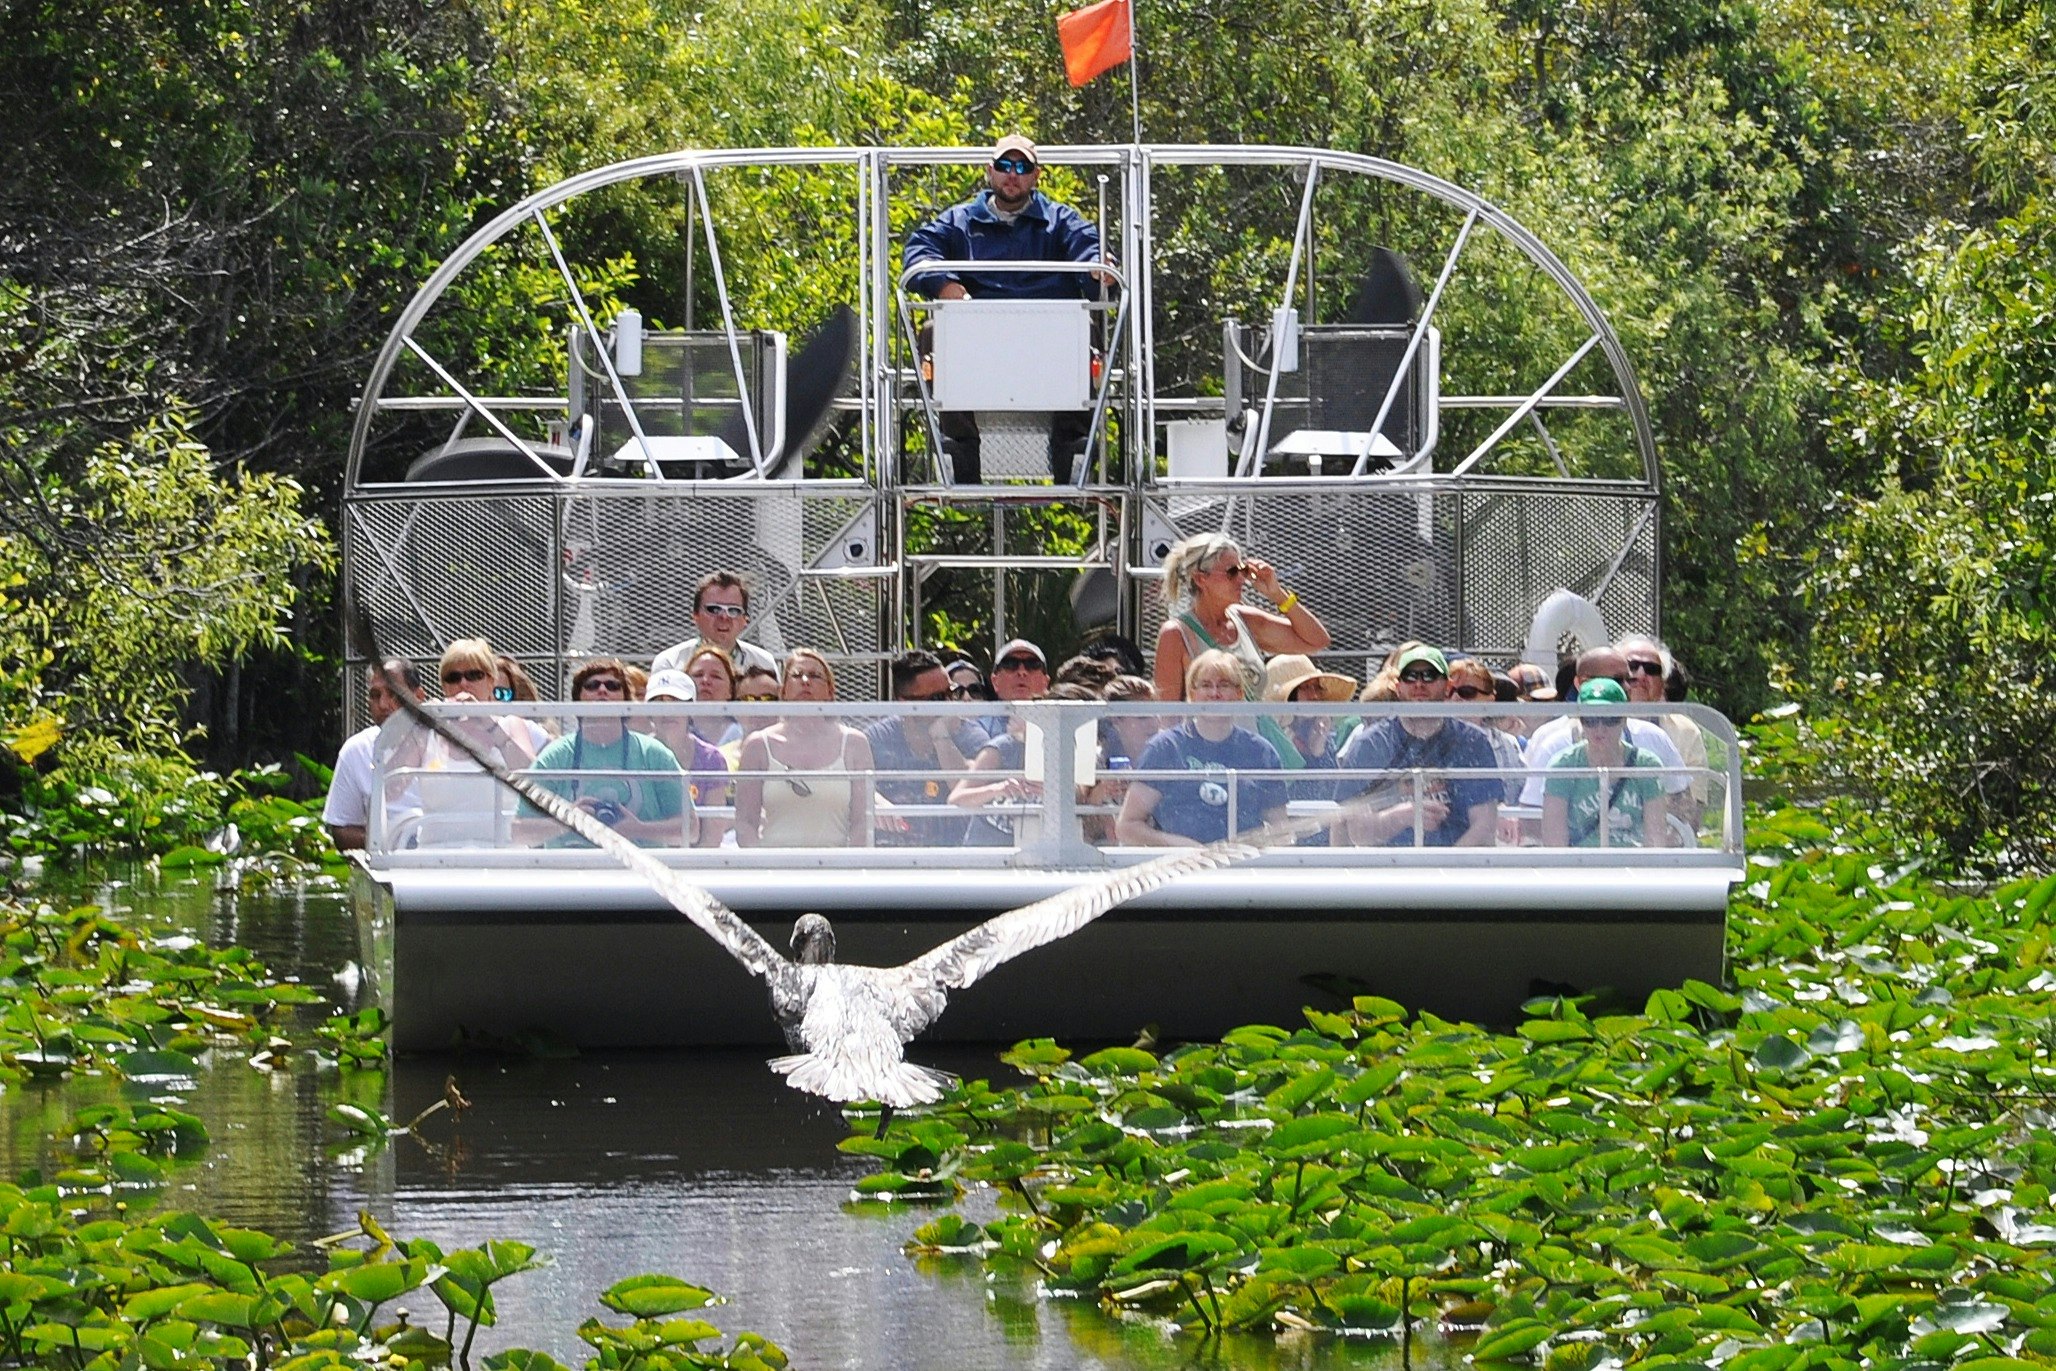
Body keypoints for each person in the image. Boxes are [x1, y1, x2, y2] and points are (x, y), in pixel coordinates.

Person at [902, 134, 1109, 484]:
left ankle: (1072, 449)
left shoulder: (1059, 219)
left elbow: (1088, 245)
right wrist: (946, 285)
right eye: (1004, 166)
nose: (1013, 175)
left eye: (1023, 167)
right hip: (978, 329)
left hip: (1047, 332)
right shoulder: (959, 220)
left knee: (1085, 332)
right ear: (990, 171)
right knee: (935, 332)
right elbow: (918, 250)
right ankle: (958, 449)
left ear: (1036, 175)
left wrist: (1096, 265)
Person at [1116, 650, 1289, 846]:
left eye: (1224, 685)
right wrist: (1178, 845)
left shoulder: (1261, 752)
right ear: (1191, 694)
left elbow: (1281, 830)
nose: (1215, 693)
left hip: (1242, 869)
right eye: (1206, 685)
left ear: (1239, 694)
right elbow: (1127, 826)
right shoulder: (1165, 748)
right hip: (1179, 869)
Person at [1336, 645, 1499, 847]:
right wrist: (1404, 815)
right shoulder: (1370, 745)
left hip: (1457, 868)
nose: (1419, 684)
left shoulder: (1473, 742)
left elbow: (1485, 825)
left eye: (1430, 676)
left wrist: (1446, 869)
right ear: (1398, 686)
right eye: (1410, 676)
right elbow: (1357, 832)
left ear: (1447, 686)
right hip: (1387, 869)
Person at [524, 659, 691, 848]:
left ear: (626, 700)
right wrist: (566, 821)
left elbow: (691, 830)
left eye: (613, 686)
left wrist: (637, 829)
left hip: (640, 871)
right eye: (592, 685)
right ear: (577, 700)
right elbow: (519, 832)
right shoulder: (555, 756)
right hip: (570, 872)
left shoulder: (654, 754)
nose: (602, 690)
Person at [1152, 533, 1331, 705]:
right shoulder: (1176, 634)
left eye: (1243, 570)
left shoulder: (1245, 620)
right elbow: (1168, 715)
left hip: (1252, 734)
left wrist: (1278, 595)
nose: (1241, 579)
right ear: (1200, 579)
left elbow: (1317, 641)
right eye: (1232, 572)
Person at [1517, 644, 1691, 816]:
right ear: (1582, 683)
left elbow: (1684, 809)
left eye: (1627, 678)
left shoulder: (1654, 738)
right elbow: (1531, 819)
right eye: (1617, 681)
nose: (1628, 687)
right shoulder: (1553, 743)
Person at [403, 638, 543, 847]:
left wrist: (487, 722)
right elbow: (391, 789)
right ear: (443, 686)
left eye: (474, 675)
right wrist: (418, 722)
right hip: (438, 855)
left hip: (502, 853)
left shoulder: (512, 725)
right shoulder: (427, 731)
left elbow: (533, 778)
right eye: (453, 677)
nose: (463, 684)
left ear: (491, 681)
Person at [735, 649, 874, 847]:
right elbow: (745, 823)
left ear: (830, 692)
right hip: (774, 871)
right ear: (783, 691)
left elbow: (863, 823)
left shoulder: (854, 744)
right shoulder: (757, 745)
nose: (806, 680)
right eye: (797, 675)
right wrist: (763, 869)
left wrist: (848, 869)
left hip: (836, 870)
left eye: (816, 676)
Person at [866, 650, 986, 846]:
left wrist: (941, 736)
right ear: (905, 704)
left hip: (958, 859)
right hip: (893, 859)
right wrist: (874, 799)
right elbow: (850, 784)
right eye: (938, 698)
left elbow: (966, 789)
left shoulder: (971, 736)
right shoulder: (878, 739)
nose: (949, 703)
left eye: (952, 693)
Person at [1541, 678, 1671, 848]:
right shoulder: (1563, 766)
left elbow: (1655, 838)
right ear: (1580, 720)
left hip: (1634, 866)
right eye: (1591, 719)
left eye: (1610, 719)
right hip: (1579, 866)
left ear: (1624, 719)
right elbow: (1555, 843)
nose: (1600, 728)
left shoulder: (1646, 765)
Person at [322, 659, 426, 851]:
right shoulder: (356, 750)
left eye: (394, 694)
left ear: (418, 696)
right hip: (384, 873)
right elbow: (342, 830)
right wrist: (392, 844)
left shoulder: (446, 746)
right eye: (375, 695)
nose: (384, 704)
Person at [1618, 633, 1707, 832]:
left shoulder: (1686, 732)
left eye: (1651, 669)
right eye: (1631, 666)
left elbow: (1691, 815)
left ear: (1663, 683)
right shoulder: (1585, 725)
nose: (1640, 674)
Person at [1264, 654, 1354, 845]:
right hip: (1285, 838)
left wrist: (1319, 750)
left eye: (1316, 688)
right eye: (1305, 688)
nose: (1314, 695)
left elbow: (1333, 792)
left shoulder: (1324, 734)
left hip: (1327, 836)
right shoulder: (1268, 740)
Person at [640, 668, 733, 847]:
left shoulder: (711, 759)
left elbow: (712, 833)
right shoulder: (636, 753)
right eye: (659, 702)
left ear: (691, 707)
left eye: (675, 701)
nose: (667, 711)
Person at [651, 570, 778, 677]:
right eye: (714, 609)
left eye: (733, 610)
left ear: (745, 619)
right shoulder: (670, 664)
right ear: (695, 616)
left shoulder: (764, 663)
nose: (724, 617)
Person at [682, 644, 746, 753]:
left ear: (730, 690)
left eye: (716, 676)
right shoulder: (675, 729)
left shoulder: (744, 732)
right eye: (698, 675)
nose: (705, 680)